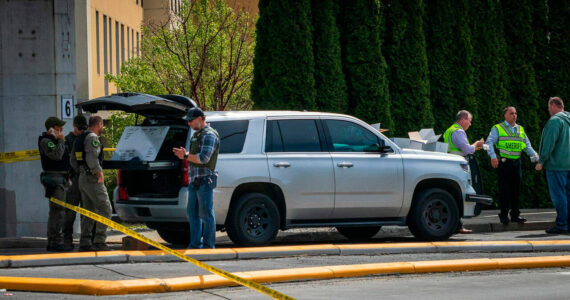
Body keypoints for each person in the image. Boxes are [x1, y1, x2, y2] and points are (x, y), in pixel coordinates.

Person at [173, 107, 220, 249]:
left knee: (206, 214)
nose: (189, 123)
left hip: (205, 179)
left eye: (191, 120)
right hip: (195, 180)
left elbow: (204, 158)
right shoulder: (198, 134)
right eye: (188, 121)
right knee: (193, 213)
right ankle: (195, 245)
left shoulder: (209, 135)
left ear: (200, 118)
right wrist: (185, 153)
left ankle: (208, 246)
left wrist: (185, 155)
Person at [485, 106, 539, 225]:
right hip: (504, 162)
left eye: (515, 113)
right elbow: (489, 142)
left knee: (516, 190)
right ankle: (504, 215)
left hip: (516, 162)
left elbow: (526, 146)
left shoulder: (520, 129)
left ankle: (515, 215)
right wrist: (493, 156)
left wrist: (536, 156)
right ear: (505, 115)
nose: (514, 115)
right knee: (505, 190)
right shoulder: (498, 128)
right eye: (511, 113)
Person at [70, 116, 112, 251]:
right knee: (106, 209)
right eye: (102, 125)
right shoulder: (93, 138)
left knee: (89, 211)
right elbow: (92, 157)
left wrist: (81, 171)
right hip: (93, 178)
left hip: (82, 178)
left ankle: (85, 242)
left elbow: (72, 160)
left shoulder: (80, 138)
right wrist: (98, 172)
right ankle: (100, 240)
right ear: (99, 124)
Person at [443, 110, 485, 234]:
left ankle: (456, 225)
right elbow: (467, 150)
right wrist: (477, 144)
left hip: (449, 163)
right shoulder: (459, 131)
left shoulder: (449, 130)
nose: (470, 124)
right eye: (469, 121)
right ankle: (458, 225)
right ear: (463, 119)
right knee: (461, 194)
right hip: (458, 165)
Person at [535, 97, 570, 234]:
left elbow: (549, 143)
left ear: (554, 105)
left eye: (549, 107)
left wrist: (541, 160)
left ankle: (562, 224)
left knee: (559, 196)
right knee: (568, 195)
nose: (548, 110)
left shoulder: (555, 121)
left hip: (556, 165)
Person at [39, 117, 73, 252]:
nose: (62, 130)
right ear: (51, 128)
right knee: (57, 212)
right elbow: (57, 155)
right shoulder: (46, 141)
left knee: (58, 212)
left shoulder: (54, 141)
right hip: (54, 178)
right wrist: (61, 140)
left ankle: (55, 241)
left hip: (61, 178)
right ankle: (55, 242)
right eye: (59, 127)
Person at [62, 115, 88, 249]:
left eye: (85, 128)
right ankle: (67, 239)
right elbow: (64, 161)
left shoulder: (86, 137)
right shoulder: (68, 140)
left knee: (86, 211)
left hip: (85, 178)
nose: (82, 131)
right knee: (70, 212)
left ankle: (85, 241)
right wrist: (68, 177)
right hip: (74, 179)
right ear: (74, 126)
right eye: (80, 128)